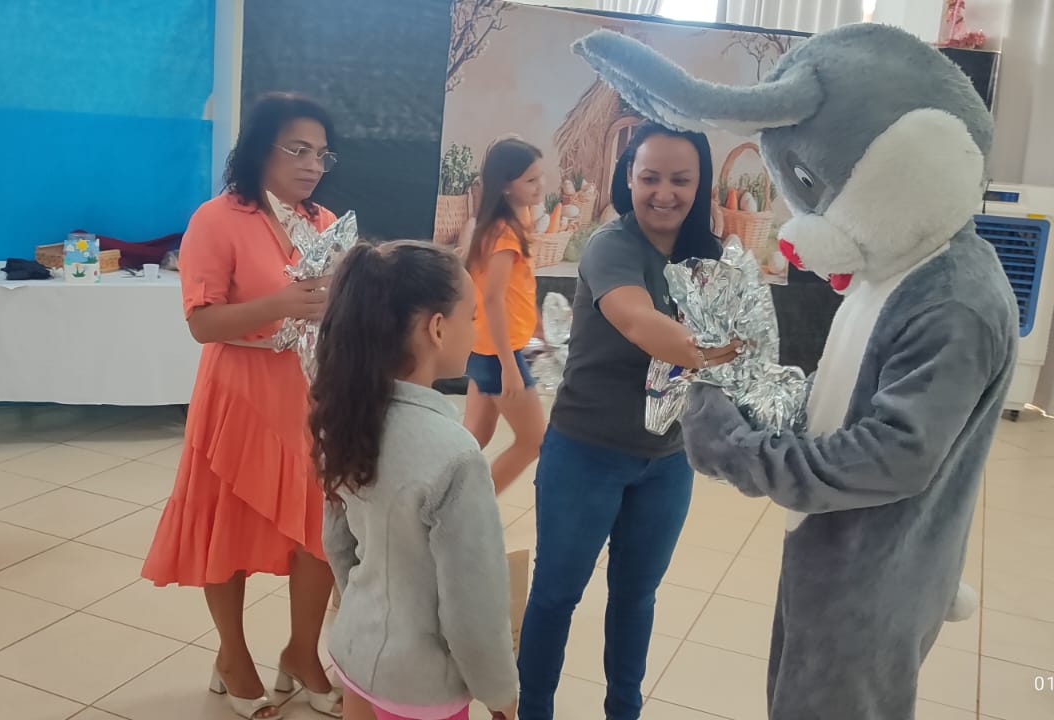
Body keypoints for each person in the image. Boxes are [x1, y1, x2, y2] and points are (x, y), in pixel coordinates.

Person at [517, 125, 738, 720]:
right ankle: (533, 709)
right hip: (585, 453)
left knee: (637, 596)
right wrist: (729, 350)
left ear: (700, 184)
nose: (664, 193)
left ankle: (624, 709)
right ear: (629, 179)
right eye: (650, 178)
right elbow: (639, 322)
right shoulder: (610, 246)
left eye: (680, 179)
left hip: (667, 461)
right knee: (556, 594)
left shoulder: (711, 259)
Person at [143, 93, 343, 720]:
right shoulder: (217, 219)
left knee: (320, 532)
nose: (311, 164)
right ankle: (232, 655)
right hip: (239, 395)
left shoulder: (325, 222)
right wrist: (281, 305)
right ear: (260, 149)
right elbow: (203, 324)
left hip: (310, 396)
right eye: (298, 149)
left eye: (321, 154)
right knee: (223, 528)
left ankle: (302, 653)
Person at [312, 241, 519, 720]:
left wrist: (369, 606)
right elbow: (474, 603)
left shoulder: (344, 417)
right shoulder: (455, 454)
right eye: (471, 317)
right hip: (421, 684)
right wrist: (500, 693)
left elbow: (337, 543)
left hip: (356, 651)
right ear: (438, 328)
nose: (476, 329)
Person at [462, 137, 546, 493]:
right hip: (498, 353)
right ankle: (471, 510)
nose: (540, 186)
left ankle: (438, 506)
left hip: (488, 348)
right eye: (530, 180)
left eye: (540, 177)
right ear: (506, 186)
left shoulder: (517, 218)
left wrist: (536, 325)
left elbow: (517, 288)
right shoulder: (504, 233)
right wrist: (509, 367)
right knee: (533, 440)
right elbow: (493, 299)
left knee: (470, 441)